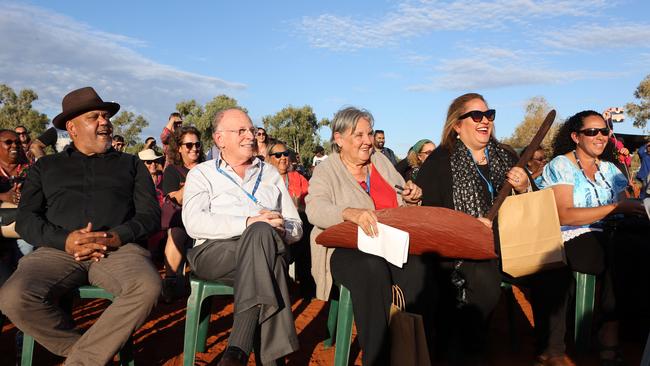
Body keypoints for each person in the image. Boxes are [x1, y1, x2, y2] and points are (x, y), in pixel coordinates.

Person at [0, 86, 161, 365]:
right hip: (57, 251)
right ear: (72, 128)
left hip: (118, 251)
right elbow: (25, 219)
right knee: (13, 297)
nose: (105, 122)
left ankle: (81, 361)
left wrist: (115, 236)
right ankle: (88, 351)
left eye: (106, 117)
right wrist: (65, 240)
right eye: (95, 117)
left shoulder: (131, 164)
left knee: (147, 287)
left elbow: (150, 216)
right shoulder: (45, 167)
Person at [306, 106, 435, 366]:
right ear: (338, 139)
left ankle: (416, 352)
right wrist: (348, 212)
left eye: (369, 134)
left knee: (424, 270)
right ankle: (378, 358)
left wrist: (412, 198)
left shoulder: (380, 162)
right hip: (345, 250)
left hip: (389, 244)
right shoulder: (327, 170)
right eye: (359, 135)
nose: (368, 141)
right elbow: (314, 209)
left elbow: (402, 199)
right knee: (371, 269)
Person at [416, 93, 531, 364]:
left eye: (489, 115)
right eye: (476, 116)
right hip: (462, 247)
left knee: (554, 273)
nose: (485, 121)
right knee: (482, 283)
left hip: (512, 242)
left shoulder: (506, 155)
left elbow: (530, 206)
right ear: (457, 125)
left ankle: (552, 350)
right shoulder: (440, 162)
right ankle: (467, 354)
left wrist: (525, 187)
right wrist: (467, 227)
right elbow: (430, 216)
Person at [182, 108, 302, 365]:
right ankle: (269, 359)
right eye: (241, 131)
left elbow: (296, 225)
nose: (251, 136)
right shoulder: (202, 174)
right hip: (215, 252)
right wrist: (249, 222)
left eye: (251, 129)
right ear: (219, 139)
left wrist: (282, 228)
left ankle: (236, 351)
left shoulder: (269, 174)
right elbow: (194, 222)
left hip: (266, 247)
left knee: (264, 242)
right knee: (266, 247)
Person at [538, 110, 646, 366]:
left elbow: (623, 209)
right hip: (571, 235)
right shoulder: (561, 165)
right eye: (592, 132)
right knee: (613, 251)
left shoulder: (611, 169)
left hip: (608, 234)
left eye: (604, 131)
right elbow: (564, 215)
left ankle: (623, 327)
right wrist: (616, 209)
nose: (600, 136)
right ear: (576, 136)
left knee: (637, 247)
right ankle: (608, 333)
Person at [161, 126, 205, 302]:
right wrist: (194, 181)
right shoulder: (173, 170)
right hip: (182, 219)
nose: (194, 148)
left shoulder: (208, 168)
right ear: (179, 148)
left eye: (197, 144)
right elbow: (174, 198)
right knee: (176, 233)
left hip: (206, 218)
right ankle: (170, 282)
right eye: (188, 145)